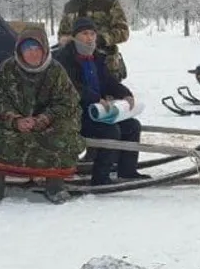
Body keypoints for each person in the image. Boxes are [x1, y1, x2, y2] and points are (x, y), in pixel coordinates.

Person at [0, 27, 84, 205]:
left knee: (62, 135)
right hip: (14, 120)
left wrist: (43, 119)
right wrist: (15, 120)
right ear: (19, 51)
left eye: (36, 49)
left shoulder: (55, 70)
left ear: (44, 49)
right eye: (27, 49)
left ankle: (55, 185)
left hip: (48, 121)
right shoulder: (7, 68)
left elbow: (68, 101)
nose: (32, 54)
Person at [54, 17, 148, 185]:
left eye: (92, 33)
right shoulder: (64, 58)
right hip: (73, 114)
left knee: (132, 126)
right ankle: (100, 177)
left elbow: (108, 81)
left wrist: (125, 94)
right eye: (84, 34)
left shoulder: (97, 57)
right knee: (110, 131)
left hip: (98, 111)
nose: (89, 38)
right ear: (75, 36)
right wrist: (95, 98)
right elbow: (71, 86)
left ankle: (127, 171)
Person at [58, 0, 131, 80]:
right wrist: (65, 40)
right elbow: (63, 32)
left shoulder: (109, 3)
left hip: (106, 63)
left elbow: (123, 32)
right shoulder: (70, 6)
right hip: (75, 65)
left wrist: (101, 39)